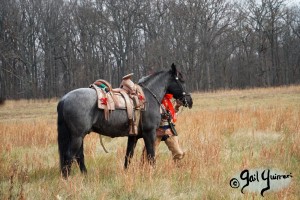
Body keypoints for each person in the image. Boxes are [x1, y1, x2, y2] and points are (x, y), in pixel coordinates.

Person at [142, 93, 185, 161]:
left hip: (168, 130)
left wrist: (177, 107)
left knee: (178, 152)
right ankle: (145, 168)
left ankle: (176, 166)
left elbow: (173, 114)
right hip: (156, 131)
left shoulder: (169, 101)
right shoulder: (152, 102)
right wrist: (160, 116)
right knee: (148, 154)